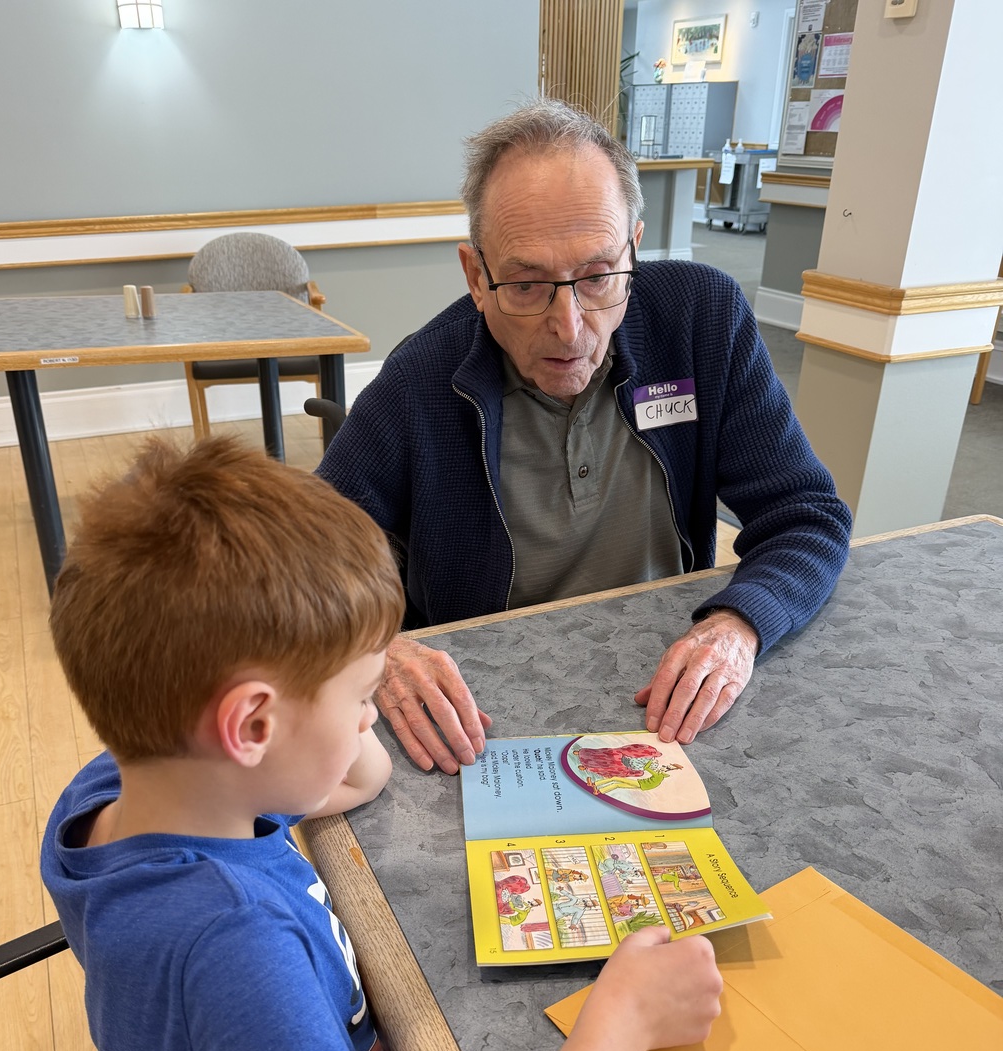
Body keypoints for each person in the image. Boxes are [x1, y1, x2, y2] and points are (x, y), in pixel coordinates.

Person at [41, 436, 723, 1051]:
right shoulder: (234, 955)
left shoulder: (130, 786)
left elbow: (353, 777)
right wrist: (621, 1023)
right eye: (366, 693)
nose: (376, 716)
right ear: (250, 724)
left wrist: (342, 674)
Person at [319, 100, 853, 775]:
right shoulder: (419, 380)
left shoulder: (704, 321)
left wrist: (737, 625)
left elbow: (806, 514)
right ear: (476, 276)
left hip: (668, 693)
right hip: (484, 720)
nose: (569, 328)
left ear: (634, 247)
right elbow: (302, 563)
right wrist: (378, 649)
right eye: (526, 285)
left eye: (599, 277)